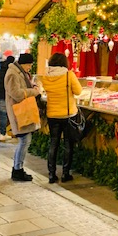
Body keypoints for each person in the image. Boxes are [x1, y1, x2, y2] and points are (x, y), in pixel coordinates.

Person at [40, 52, 82, 184]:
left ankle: (51, 174)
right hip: (68, 114)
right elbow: (79, 91)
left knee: (53, 143)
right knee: (68, 144)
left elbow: (46, 91)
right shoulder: (69, 75)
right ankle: (65, 173)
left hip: (52, 114)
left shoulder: (46, 77)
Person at [4, 53, 41, 182]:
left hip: (22, 110)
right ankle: (17, 170)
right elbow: (16, 93)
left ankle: (18, 168)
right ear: (24, 64)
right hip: (18, 111)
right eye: (29, 65)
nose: (30, 67)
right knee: (25, 140)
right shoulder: (13, 74)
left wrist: (32, 87)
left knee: (25, 140)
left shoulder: (19, 72)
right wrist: (34, 92)